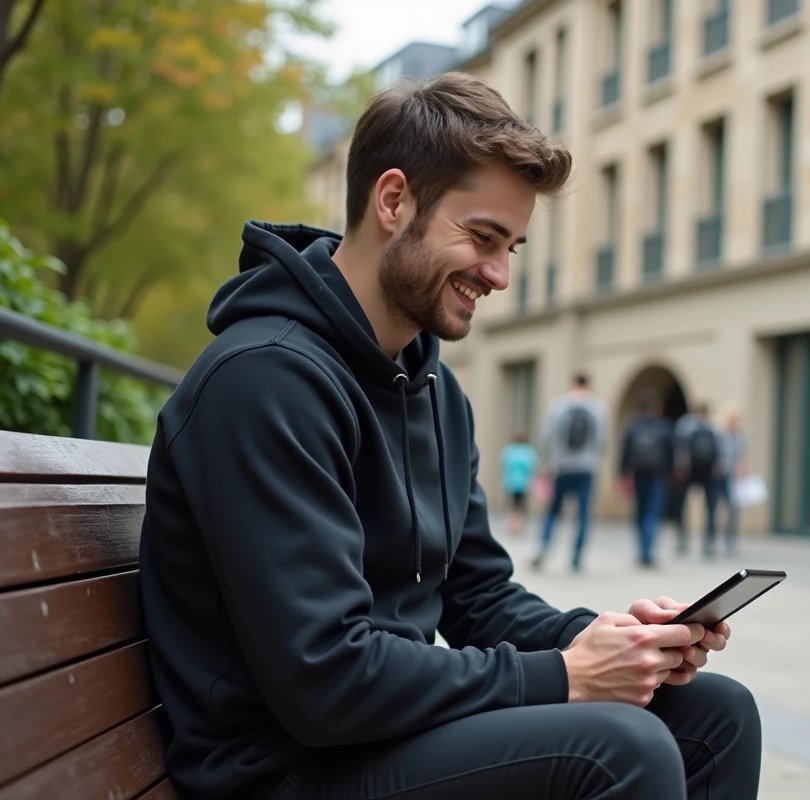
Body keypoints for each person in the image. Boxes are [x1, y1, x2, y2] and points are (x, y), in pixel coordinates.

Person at [138, 73, 760, 800]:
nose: (498, 275)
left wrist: (620, 644)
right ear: (394, 200)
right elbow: (324, 680)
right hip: (280, 767)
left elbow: (480, 599)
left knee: (718, 714)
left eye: (512, 248)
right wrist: (567, 676)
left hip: (377, 737)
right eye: (483, 237)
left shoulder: (433, 391)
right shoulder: (263, 382)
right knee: (620, 747)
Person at [533, 373, 608, 572]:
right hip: (587, 467)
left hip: (562, 466)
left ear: (572, 383)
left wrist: (546, 461)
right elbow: (602, 440)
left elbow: (546, 436)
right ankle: (576, 557)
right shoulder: (598, 408)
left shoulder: (558, 406)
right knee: (583, 513)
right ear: (588, 385)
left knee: (553, 510)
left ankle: (544, 546)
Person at [619, 390, 676, 568]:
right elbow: (671, 452)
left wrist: (622, 473)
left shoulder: (633, 425)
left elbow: (625, 451)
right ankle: (647, 551)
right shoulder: (664, 426)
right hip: (658, 475)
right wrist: (672, 472)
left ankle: (642, 549)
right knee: (653, 512)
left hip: (638, 474)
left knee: (640, 512)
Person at [673, 402, 722, 558]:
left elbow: (679, 447)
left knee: (684, 505)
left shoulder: (685, 425)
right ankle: (707, 541)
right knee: (709, 506)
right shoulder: (713, 427)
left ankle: (683, 539)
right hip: (704, 470)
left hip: (692, 469)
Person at [715, 407, 747, 557]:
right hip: (720, 476)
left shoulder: (739, 438)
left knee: (734, 509)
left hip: (733, 478)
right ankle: (714, 538)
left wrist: (741, 469)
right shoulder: (720, 435)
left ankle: (730, 540)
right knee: (716, 508)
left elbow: (741, 457)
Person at [500, 430, 539, 534]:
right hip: (523, 483)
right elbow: (533, 467)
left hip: (511, 483)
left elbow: (504, 465)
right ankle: (518, 526)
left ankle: (512, 525)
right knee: (521, 505)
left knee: (513, 505)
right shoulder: (529, 452)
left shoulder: (509, 451)